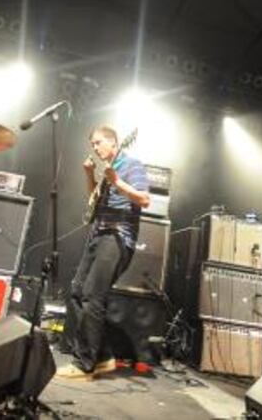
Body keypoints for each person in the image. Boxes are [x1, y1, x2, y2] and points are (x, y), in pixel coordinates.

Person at [57, 125, 150, 379]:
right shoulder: (107, 170)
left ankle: (84, 363)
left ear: (114, 142)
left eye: (98, 143)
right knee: (77, 292)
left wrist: (117, 181)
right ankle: (104, 356)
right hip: (98, 234)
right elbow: (94, 202)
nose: (95, 149)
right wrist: (90, 175)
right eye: (93, 145)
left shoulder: (132, 165)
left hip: (117, 237)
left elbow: (144, 199)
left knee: (92, 295)